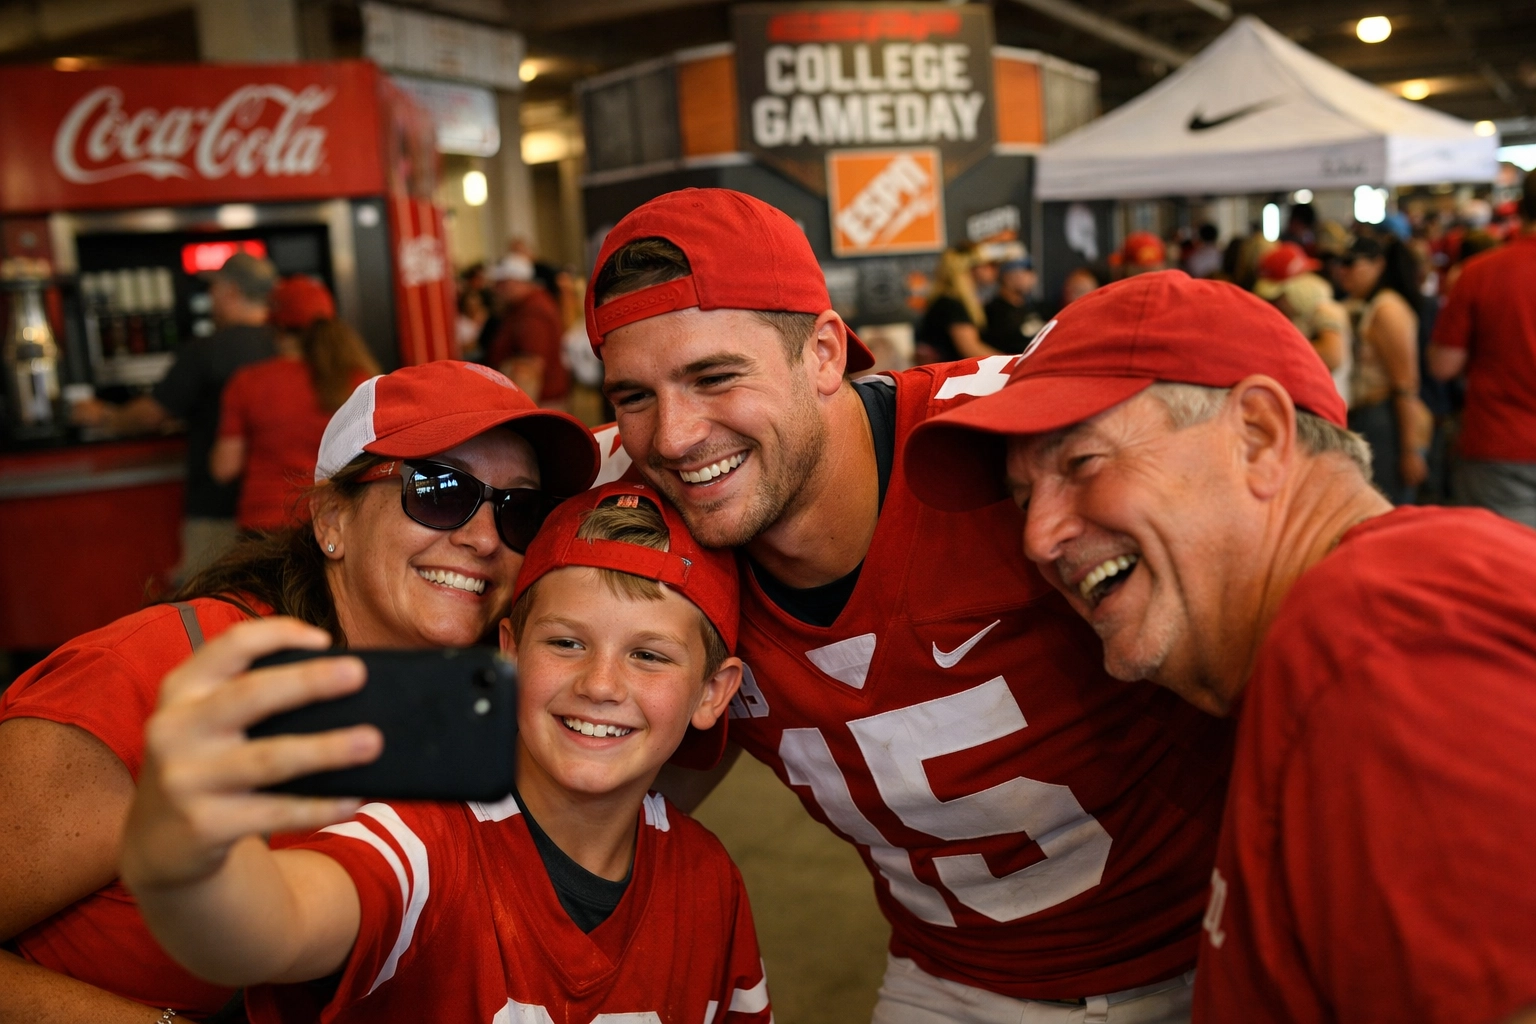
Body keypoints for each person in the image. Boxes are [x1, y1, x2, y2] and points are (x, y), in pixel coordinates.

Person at [588, 188, 1232, 1023]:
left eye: (715, 376)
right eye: (633, 396)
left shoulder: (1016, 439)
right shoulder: (630, 503)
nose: (674, 436)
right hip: (949, 976)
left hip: (1204, 949)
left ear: (825, 353)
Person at [901, 269, 1536, 1024]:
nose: (1038, 537)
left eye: (1081, 463)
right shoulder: (1341, 640)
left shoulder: (1377, 638)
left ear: (1258, 436)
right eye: (1024, 498)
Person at [0, 361, 598, 1020]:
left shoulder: (487, 712)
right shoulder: (156, 674)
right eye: (439, 490)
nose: (484, 538)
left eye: (519, 511)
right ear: (332, 520)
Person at [120, 481, 769, 1023]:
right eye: (566, 643)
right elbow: (277, 925)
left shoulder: (708, 881)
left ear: (713, 692)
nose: (600, 685)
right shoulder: (420, 844)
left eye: (649, 655)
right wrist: (187, 864)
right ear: (509, 652)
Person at [71, 251, 278, 579]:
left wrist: (106, 416)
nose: (209, 298)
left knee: (210, 599)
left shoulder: (206, 350)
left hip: (215, 510)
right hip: (279, 509)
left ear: (231, 291)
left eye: (213, 289)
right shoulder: (288, 346)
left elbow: (152, 414)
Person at [212, 276, 379, 532]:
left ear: (276, 329)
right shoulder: (357, 380)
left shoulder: (247, 382)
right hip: (330, 520)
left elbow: (225, 468)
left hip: (264, 524)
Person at [1428, 170, 1536, 527]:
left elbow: (1443, 365)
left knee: (1505, 558)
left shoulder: (1479, 273)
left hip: (1499, 447)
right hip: (1499, 450)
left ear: (1520, 208)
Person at [1337, 235, 1431, 503]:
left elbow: (1405, 384)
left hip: (1386, 419)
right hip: (1369, 416)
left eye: (1351, 263)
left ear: (1378, 264)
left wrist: (1409, 450)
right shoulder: (1367, 304)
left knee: (1387, 505)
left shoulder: (1388, 309)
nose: (1343, 271)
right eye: (1340, 264)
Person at [1254, 243, 1351, 400]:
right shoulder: (1299, 316)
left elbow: (1332, 356)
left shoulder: (1325, 310)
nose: (1276, 304)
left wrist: (1276, 351)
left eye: (1278, 297)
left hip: (1326, 403)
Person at [487, 253, 570, 408]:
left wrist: (519, 412)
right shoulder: (525, 306)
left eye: (501, 284)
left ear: (515, 282)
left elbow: (531, 366)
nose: (497, 290)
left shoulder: (532, 311)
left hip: (541, 403)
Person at [915, 248, 998, 363]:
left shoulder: (948, 300)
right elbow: (970, 349)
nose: (994, 270)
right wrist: (1010, 362)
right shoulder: (952, 304)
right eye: (988, 265)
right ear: (973, 270)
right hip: (952, 371)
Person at [982, 255, 1048, 354]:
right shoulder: (993, 311)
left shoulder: (1038, 307)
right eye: (1024, 272)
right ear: (1007, 277)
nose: (1031, 277)